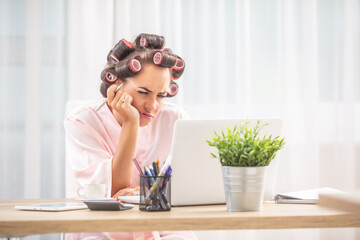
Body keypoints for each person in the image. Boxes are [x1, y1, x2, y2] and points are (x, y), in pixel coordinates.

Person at [64, 33, 197, 240]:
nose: (153, 106)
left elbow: (189, 187)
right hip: (103, 230)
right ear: (116, 84)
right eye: (143, 92)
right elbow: (112, 193)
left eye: (161, 95)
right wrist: (131, 123)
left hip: (164, 227)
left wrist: (142, 193)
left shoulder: (176, 119)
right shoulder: (82, 121)